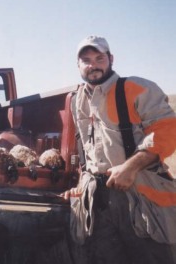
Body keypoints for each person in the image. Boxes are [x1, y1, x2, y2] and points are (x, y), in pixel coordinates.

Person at [63, 35, 176, 264]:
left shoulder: (136, 88)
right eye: (86, 60)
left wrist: (130, 167)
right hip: (99, 200)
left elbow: (168, 131)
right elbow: (88, 149)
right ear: (78, 65)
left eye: (99, 58)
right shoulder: (77, 100)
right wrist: (81, 186)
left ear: (110, 59)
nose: (93, 65)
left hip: (140, 197)